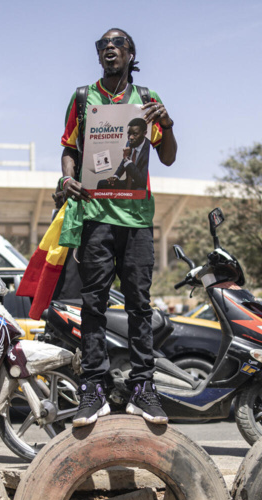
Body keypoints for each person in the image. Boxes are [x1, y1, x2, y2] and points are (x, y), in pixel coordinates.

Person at [60, 28, 177, 427]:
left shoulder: (147, 100)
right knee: (92, 305)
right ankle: (93, 387)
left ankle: (144, 387)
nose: (109, 49)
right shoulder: (82, 98)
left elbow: (169, 158)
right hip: (96, 218)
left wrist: (170, 124)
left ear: (131, 53)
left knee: (139, 306)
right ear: (99, 57)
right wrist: (66, 178)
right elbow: (69, 150)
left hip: (137, 220)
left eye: (118, 44)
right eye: (102, 46)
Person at [97, 117, 150, 190]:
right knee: (102, 184)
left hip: (139, 184)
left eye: (135, 134)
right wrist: (116, 176)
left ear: (144, 133)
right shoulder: (129, 143)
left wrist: (127, 160)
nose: (130, 137)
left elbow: (142, 181)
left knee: (140, 190)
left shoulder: (148, 147)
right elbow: (124, 162)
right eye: (129, 134)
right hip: (127, 183)